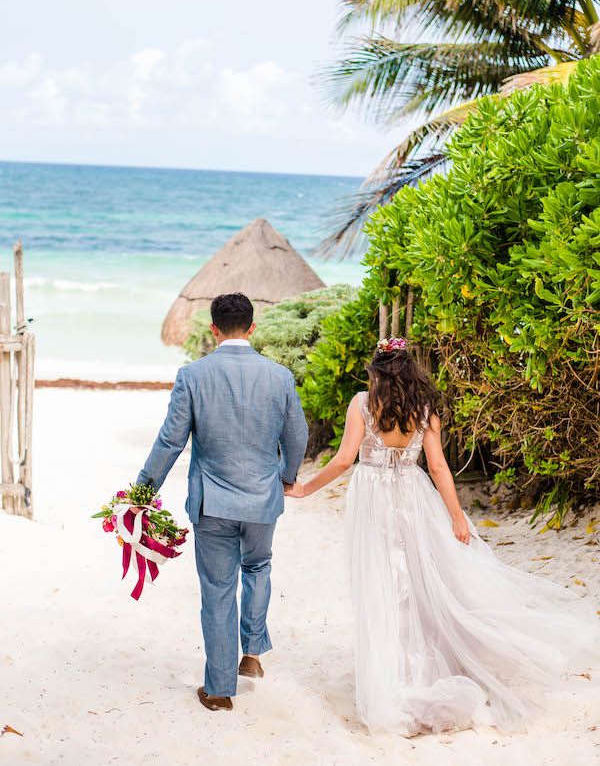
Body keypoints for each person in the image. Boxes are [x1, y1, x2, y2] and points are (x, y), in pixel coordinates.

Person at [285, 336, 600, 736]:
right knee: (419, 582)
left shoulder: (362, 403)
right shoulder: (424, 406)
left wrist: (306, 489)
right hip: (414, 498)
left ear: (376, 370)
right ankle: (424, 666)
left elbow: (345, 459)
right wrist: (456, 516)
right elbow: (437, 467)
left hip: (374, 501)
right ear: (409, 367)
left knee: (383, 584)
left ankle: (396, 675)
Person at [137, 292, 308, 712]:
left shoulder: (193, 375)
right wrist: (285, 478)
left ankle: (218, 689)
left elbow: (170, 441)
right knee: (258, 567)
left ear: (214, 329)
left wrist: (143, 491)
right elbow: (298, 435)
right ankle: (251, 654)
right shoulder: (279, 376)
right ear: (252, 328)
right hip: (263, 498)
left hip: (213, 502)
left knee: (217, 589)